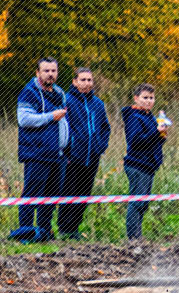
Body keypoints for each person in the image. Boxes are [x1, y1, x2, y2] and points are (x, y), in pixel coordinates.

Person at [12, 57, 68, 243]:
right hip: (37, 153)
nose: (50, 74)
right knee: (31, 195)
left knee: (51, 196)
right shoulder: (29, 93)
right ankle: (25, 233)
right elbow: (24, 119)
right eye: (46, 71)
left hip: (57, 155)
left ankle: (44, 233)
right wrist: (51, 116)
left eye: (53, 70)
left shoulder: (59, 93)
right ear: (38, 73)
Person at [58, 68, 110, 240]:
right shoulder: (66, 100)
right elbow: (62, 127)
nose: (87, 83)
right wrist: (68, 148)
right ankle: (64, 229)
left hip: (92, 157)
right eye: (83, 80)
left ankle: (74, 228)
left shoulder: (98, 104)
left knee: (84, 193)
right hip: (72, 157)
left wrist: (100, 147)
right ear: (75, 81)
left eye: (89, 80)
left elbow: (105, 128)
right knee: (69, 192)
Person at [122, 84, 168, 241]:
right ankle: (133, 238)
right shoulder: (134, 117)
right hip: (137, 165)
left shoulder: (150, 117)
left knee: (143, 203)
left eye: (151, 98)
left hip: (149, 165)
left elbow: (152, 141)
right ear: (136, 98)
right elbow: (136, 141)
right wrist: (156, 132)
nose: (149, 101)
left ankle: (138, 236)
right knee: (137, 202)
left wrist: (161, 136)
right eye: (145, 97)